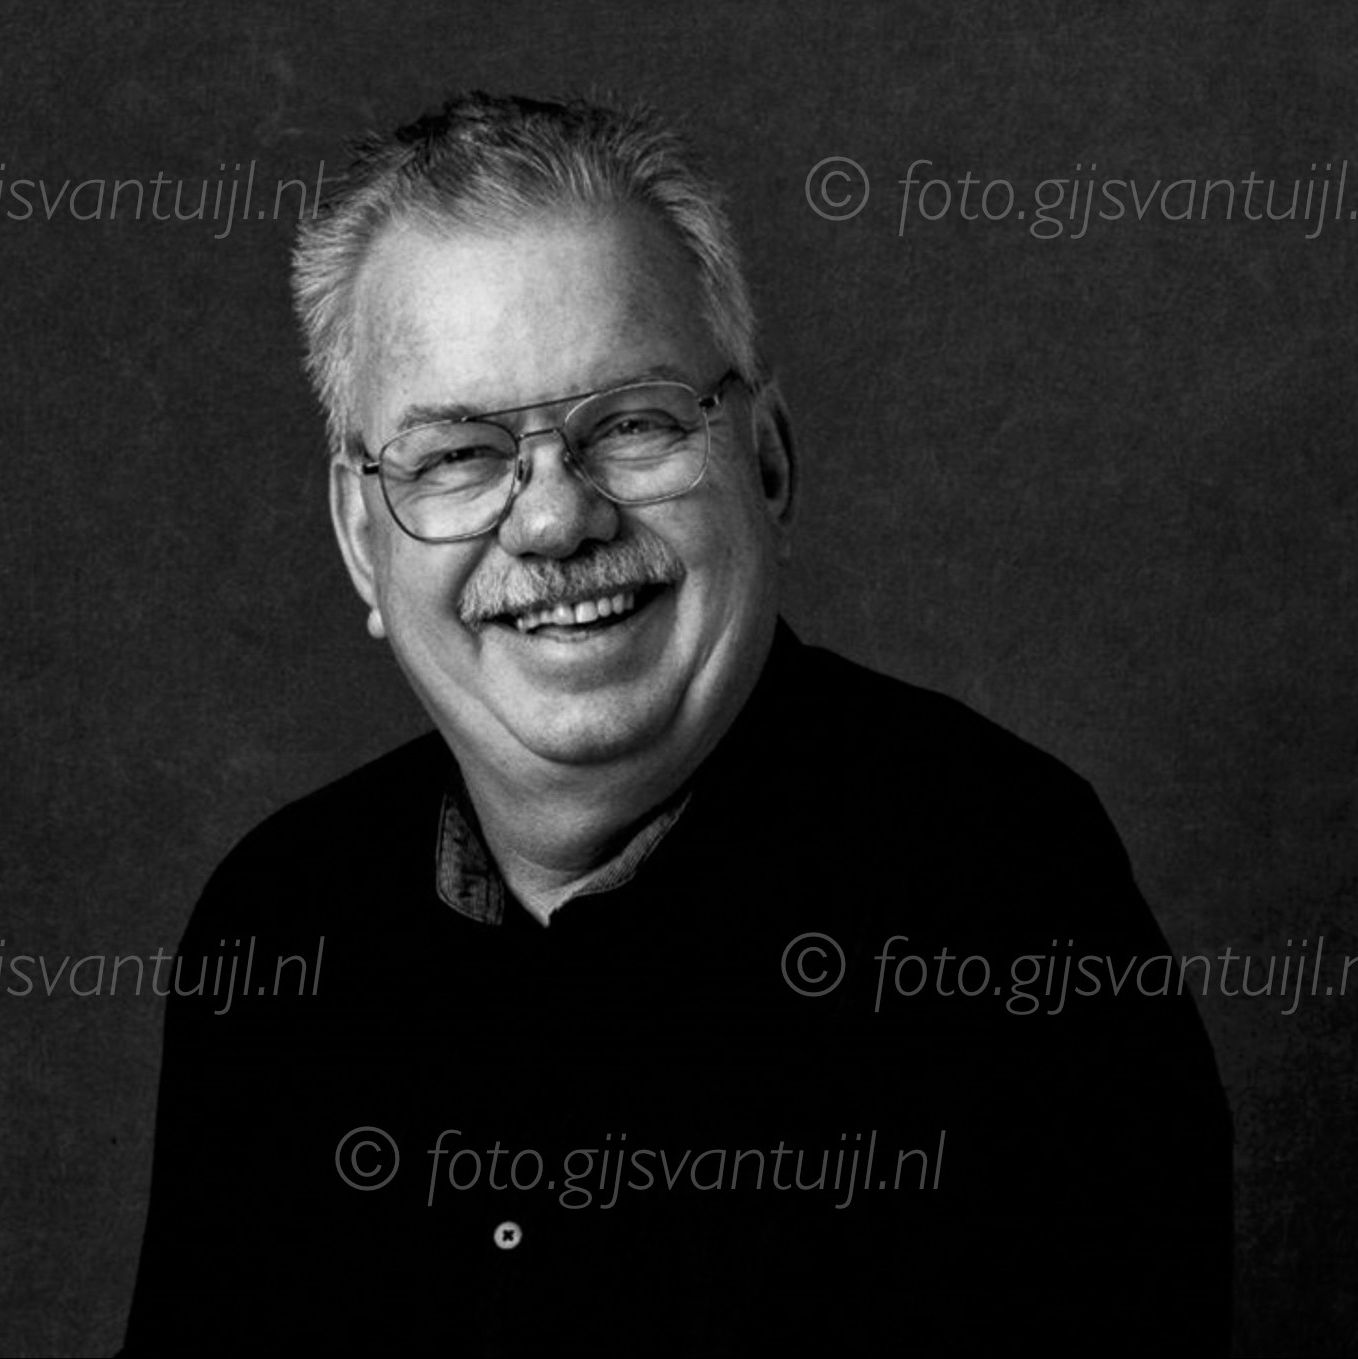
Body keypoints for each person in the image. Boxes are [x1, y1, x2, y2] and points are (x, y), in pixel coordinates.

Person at [124, 91, 1231, 1354]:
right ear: (358, 538)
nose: (554, 521)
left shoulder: (1006, 901)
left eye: (632, 423)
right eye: (457, 456)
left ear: (766, 460)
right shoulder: (275, 933)